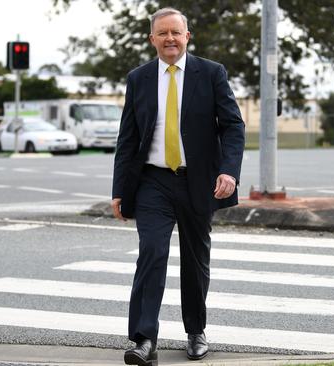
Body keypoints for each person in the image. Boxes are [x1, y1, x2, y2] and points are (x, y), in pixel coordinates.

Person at [111, 7, 245, 366]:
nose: (170, 38)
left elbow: (233, 125)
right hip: (153, 180)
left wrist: (229, 171)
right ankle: (143, 339)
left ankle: (195, 331)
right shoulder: (138, 78)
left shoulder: (211, 74)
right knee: (151, 253)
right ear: (152, 39)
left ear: (188, 36)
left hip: (197, 182)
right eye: (163, 33)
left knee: (195, 259)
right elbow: (128, 137)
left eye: (176, 32)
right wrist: (119, 190)